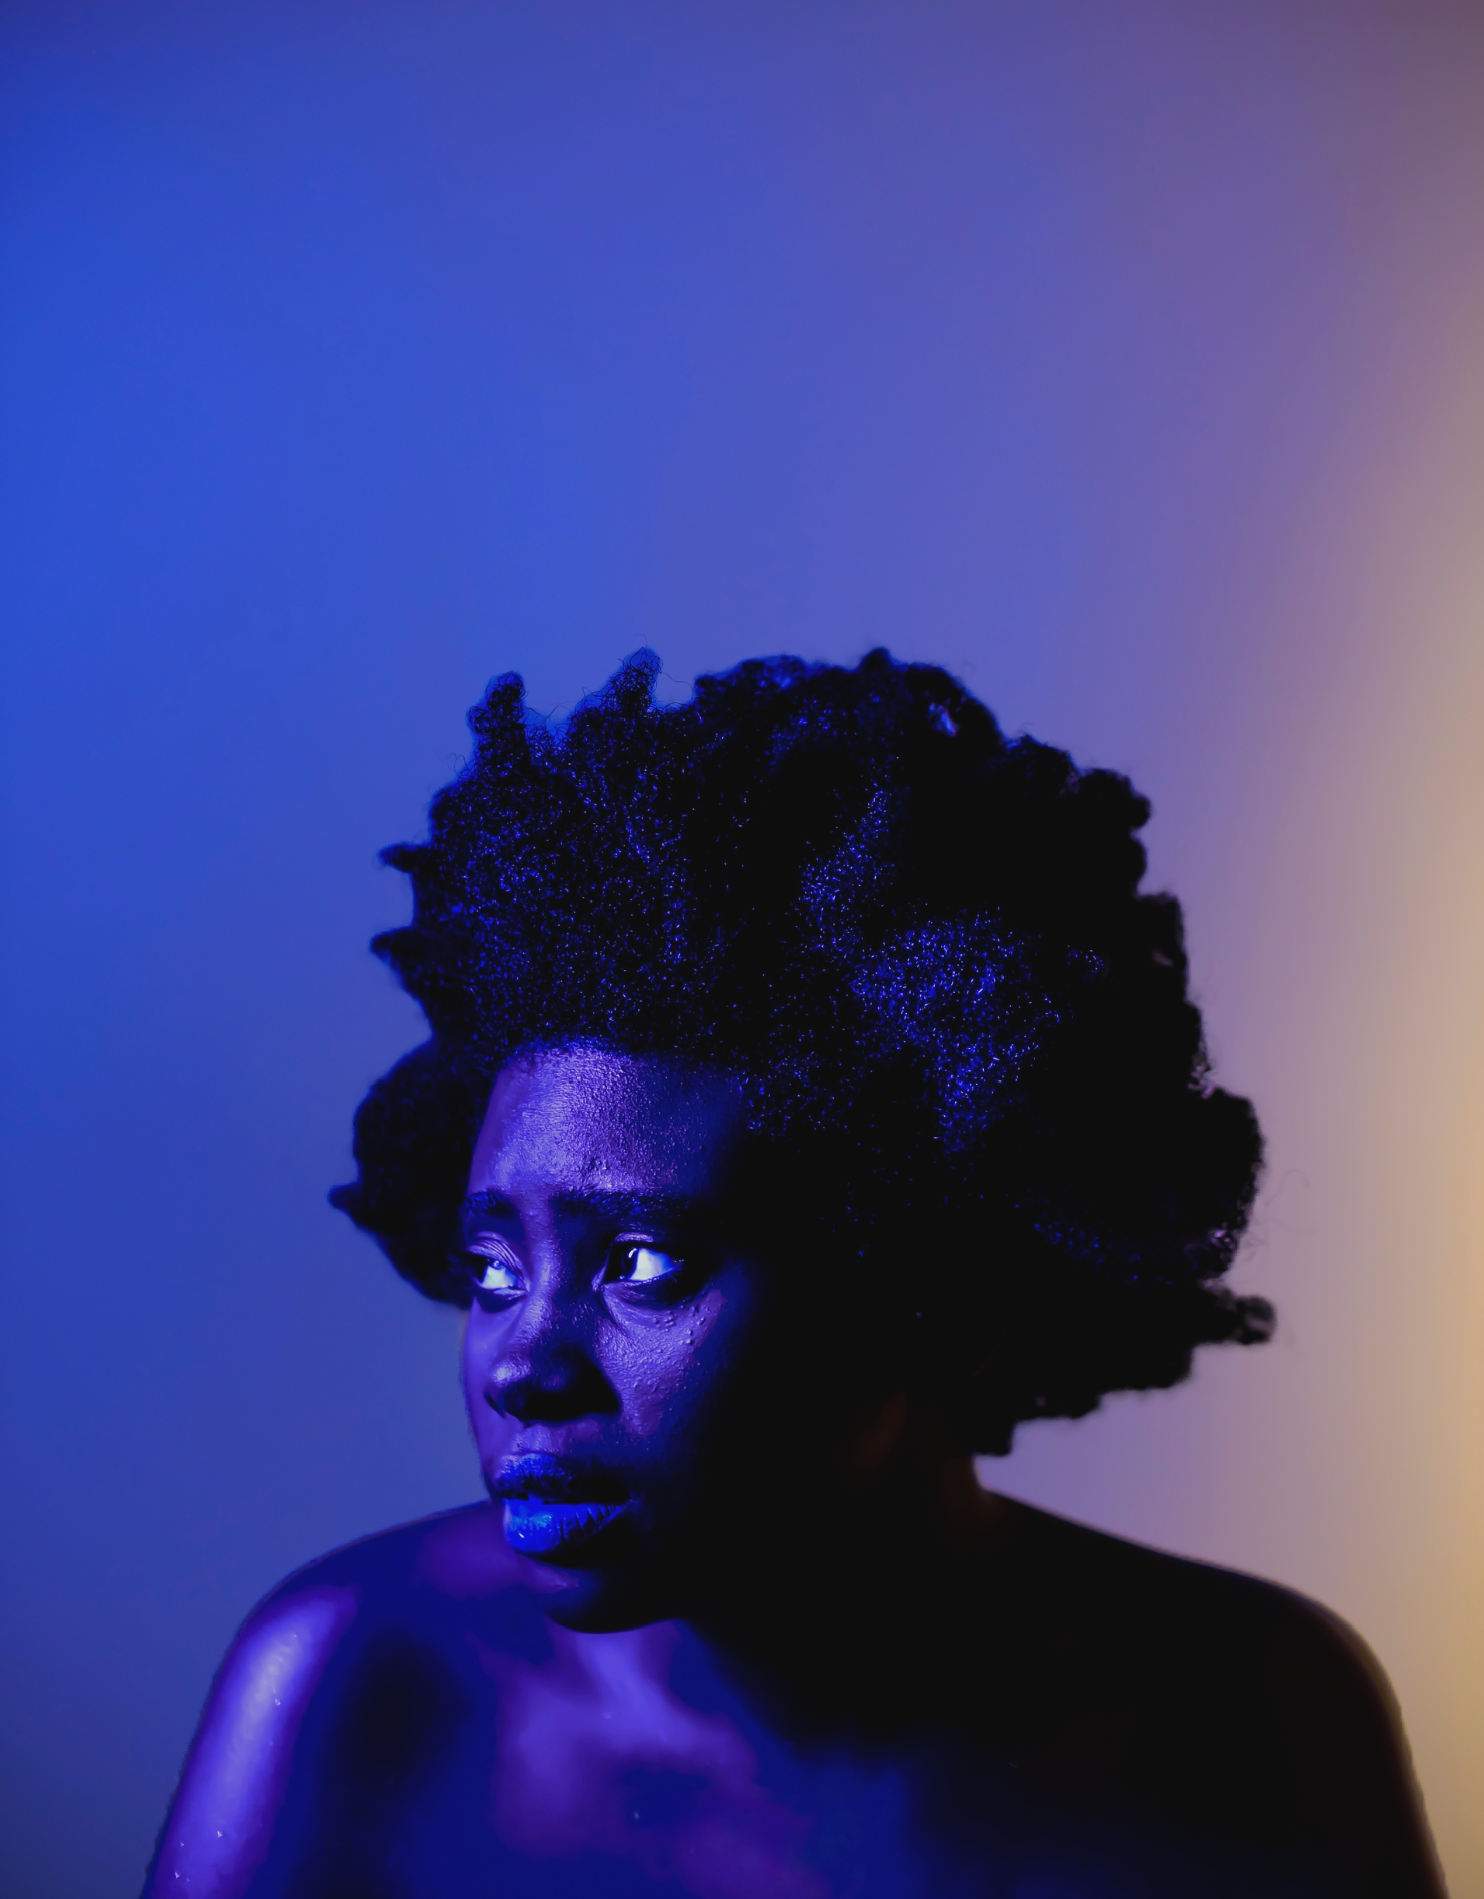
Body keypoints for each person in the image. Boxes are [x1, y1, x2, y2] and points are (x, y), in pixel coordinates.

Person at [142, 650, 1444, 1897]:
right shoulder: (356, 1683)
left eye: (641, 1265)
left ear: (939, 1298)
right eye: (490, 1270)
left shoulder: (1252, 1714)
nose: (522, 1367)